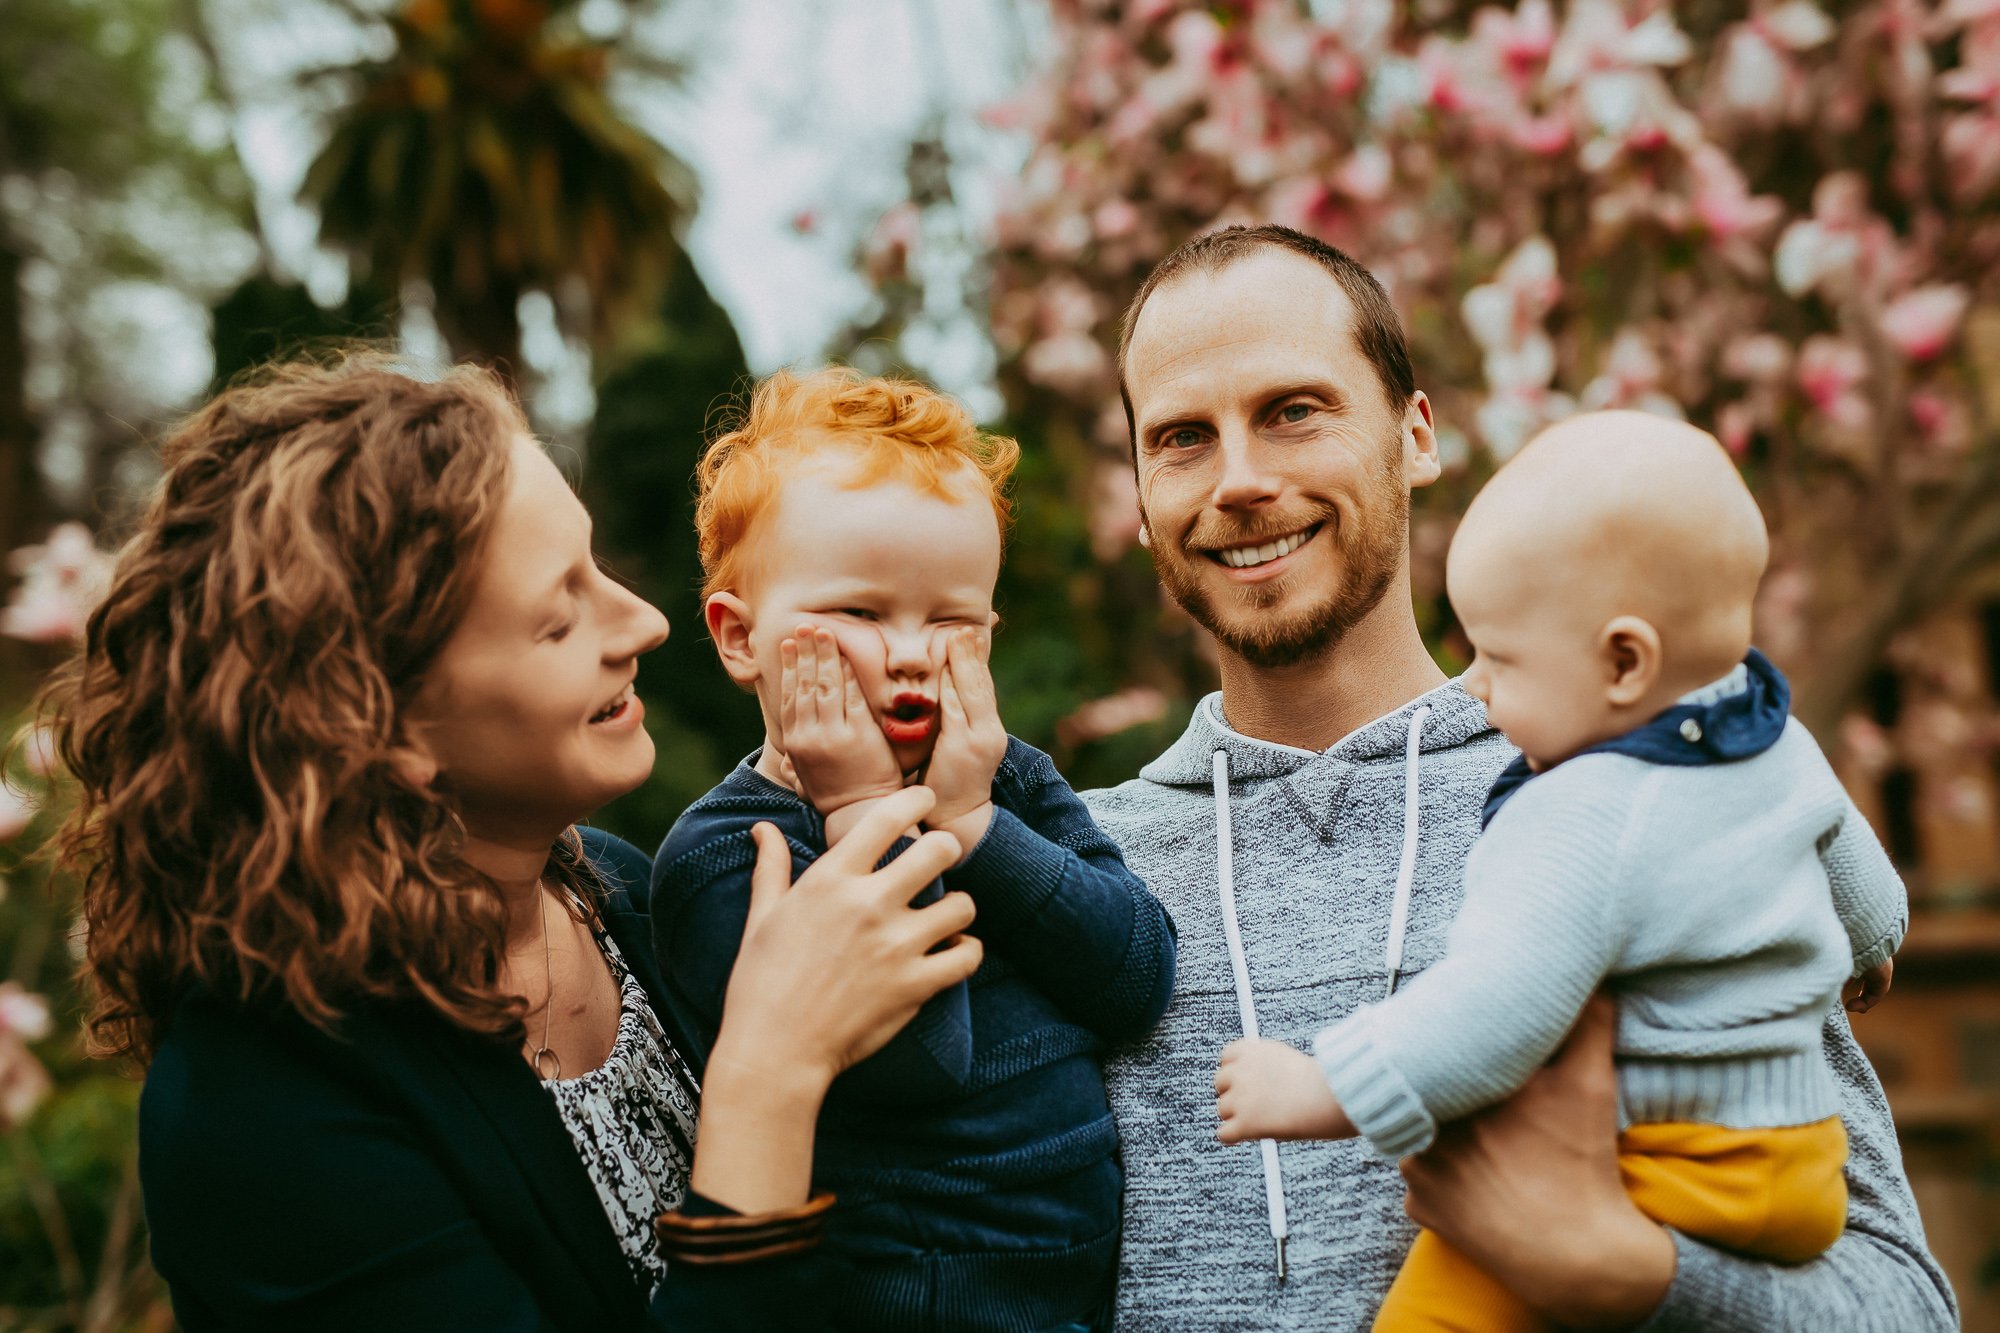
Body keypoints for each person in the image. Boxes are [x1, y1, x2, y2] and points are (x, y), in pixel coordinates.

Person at [1083, 224, 1957, 1330]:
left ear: (1416, 434)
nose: (1241, 479)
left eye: (1292, 411)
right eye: (1180, 437)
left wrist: (1619, 1270)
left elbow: (1903, 1306)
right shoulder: (1068, 869)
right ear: (1139, 486)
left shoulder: (1645, 789)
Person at [43, 355, 984, 1332]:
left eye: (598, 567)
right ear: (380, 721)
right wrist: (771, 1072)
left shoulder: (618, 891)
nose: (647, 623)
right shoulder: (261, 1113)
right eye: (558, 614)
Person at [1213, 410, 1907, 1331]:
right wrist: (1870, 948)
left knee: (1431, 1313)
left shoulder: (1580, 813)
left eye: (1498, 656)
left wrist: (1323, 1087)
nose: (1474, 686)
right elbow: (1864, 887)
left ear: (1624, 661)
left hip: (1672, 1167)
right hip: (1801, 1164)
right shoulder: (1775, 738)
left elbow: (1493, 1007)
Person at [650, 368, 1176, 1333]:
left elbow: (1138, 971)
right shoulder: (728, 854)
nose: (907, 652)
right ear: (739, 637)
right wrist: (862, 805)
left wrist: (975, 823)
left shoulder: (1000, 776)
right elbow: (919, 1066)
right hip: (910, 1296)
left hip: (1088, 1283)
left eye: (950, 620)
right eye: (858, 612)